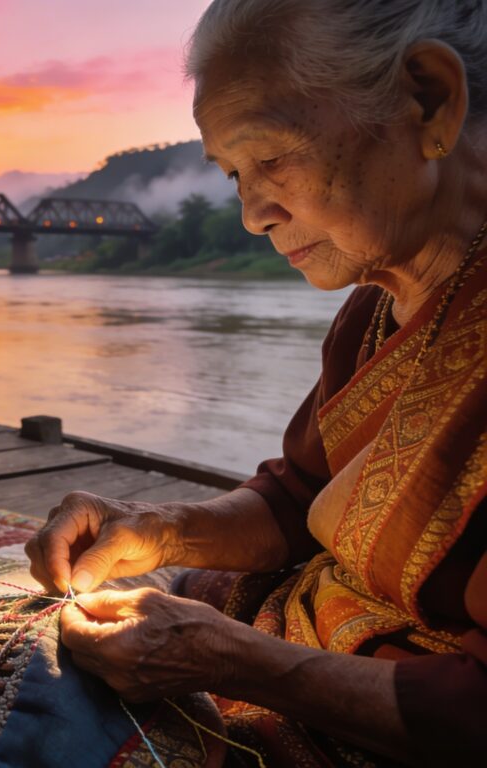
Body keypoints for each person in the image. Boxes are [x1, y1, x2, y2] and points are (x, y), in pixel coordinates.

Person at [25, 1, 487, 765]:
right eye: (235, 175)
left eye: (270, 158)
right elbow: (297, 496)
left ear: (428, 98)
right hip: (307, 633)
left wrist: (236, 662)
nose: (251, 214)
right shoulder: (375, 306)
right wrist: (155, 526)